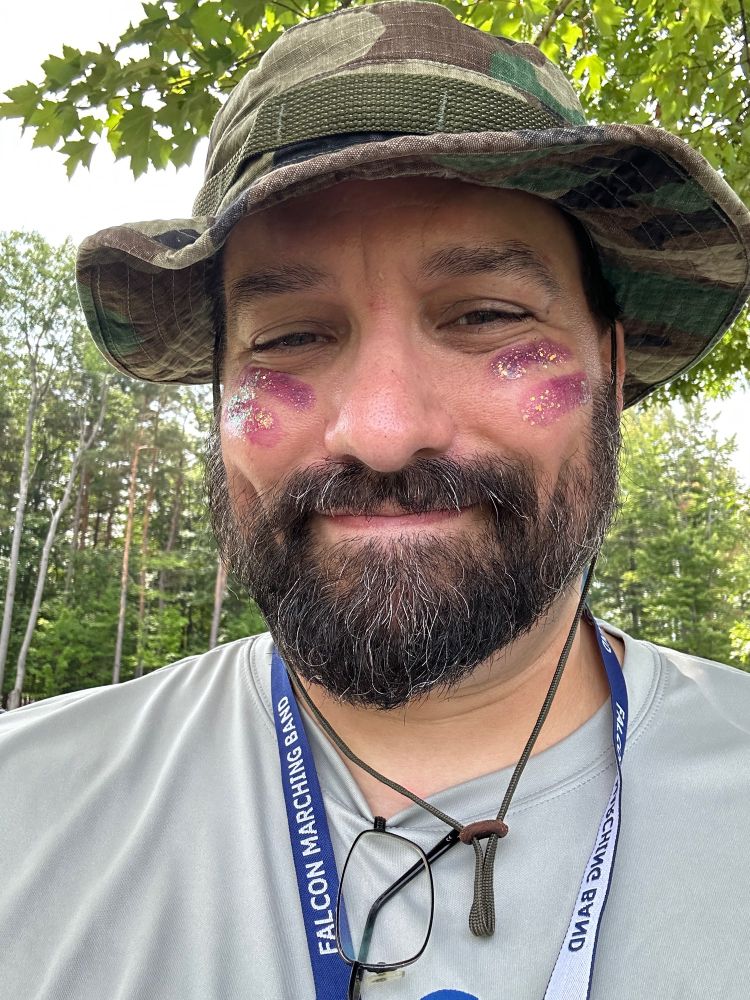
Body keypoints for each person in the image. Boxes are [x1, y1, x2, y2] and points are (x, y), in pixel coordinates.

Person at [1, 3, 749, 998]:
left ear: (610, 371)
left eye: (484, 315)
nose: (384, 429)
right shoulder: (25, 812)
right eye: (290, 336)